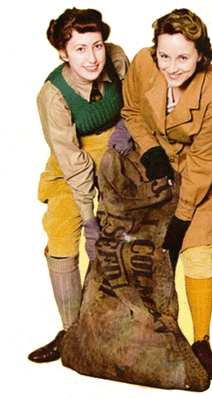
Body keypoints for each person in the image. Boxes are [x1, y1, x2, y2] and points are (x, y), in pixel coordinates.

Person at [121, 8, 212, 380]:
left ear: (201, 55)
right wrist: (150, 151)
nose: (171, 67)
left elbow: (204, 164)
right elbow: (132, 110)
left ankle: (200, 339)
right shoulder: (143, 62)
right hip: (155, 157)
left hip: (203, 170)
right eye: (164, 55)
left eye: (183, 57)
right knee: (133, 240)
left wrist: (181, 221)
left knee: (195, 250)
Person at [28, 7, 131, 364]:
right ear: (63, 53)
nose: (92, 57)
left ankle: (127, 329)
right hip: (72, 157)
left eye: (97, 45)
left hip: (120, 148)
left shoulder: (117, 60)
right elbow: (71, 162)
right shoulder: (53, 96)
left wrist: (124, 134)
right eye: (80, 49)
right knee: (60, 233)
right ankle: (72, 333)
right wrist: (88, 220)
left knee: (127, 233)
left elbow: (134, 108)